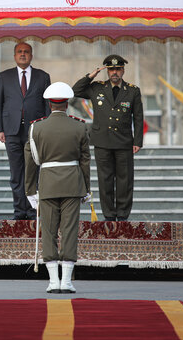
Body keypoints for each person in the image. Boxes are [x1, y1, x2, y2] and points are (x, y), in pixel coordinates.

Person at [24, 82, 90, 294]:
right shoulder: (80, 126)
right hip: (73, 183)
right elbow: (85, 161)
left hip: (48, 184)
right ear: (67, 103)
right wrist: (86, 188)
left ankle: (53, 281)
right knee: (69, 231)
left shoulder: (36, 127)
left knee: (50, 231)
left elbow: (30, 161)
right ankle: (67, 282)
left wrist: (29, 189)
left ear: (49, 104)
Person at [72, 55, 143, 221]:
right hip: (102, 141)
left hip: (124, 141)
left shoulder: (132, 90)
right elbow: (75, 91)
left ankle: (123, 215)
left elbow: (138, 117)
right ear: (107, 71)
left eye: (118, 69)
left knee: (125, 181)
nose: (115, 73)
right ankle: (109, 215)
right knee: (105, 181)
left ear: (123, 70)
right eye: (111, 69)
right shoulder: (97, 87)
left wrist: (137, 141)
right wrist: (92, 75)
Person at [0, 42, 51, 220]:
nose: (23, 54)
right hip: (11, 131)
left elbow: (47, 104)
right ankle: (19, 212)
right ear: (14, 55)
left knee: (33, 172)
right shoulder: (5, 76)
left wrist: (47, 128)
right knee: (16, 174)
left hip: (35, 132)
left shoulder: (43, 77)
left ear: (31, 55)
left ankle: (33, 212)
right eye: (19, 52)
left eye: (26, 52)